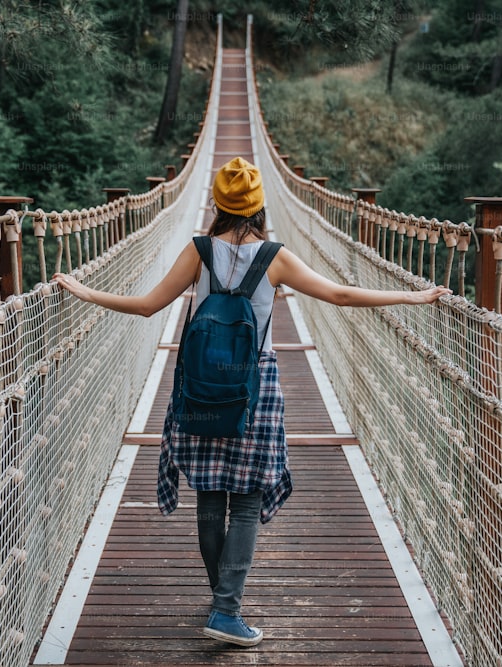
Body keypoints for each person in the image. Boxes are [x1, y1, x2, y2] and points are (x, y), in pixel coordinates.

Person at [53, 157, 450, 647]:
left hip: (196, 384)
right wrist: (410, 298)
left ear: (217, 203)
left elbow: (147, 306)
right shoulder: (275, 257)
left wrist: (85, 292)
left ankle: (222, 599)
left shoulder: (198, 251)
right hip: (254, 388)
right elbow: (341, 296)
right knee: (244, 504)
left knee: (209, 499)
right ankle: (225, 610)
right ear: (260, 205)